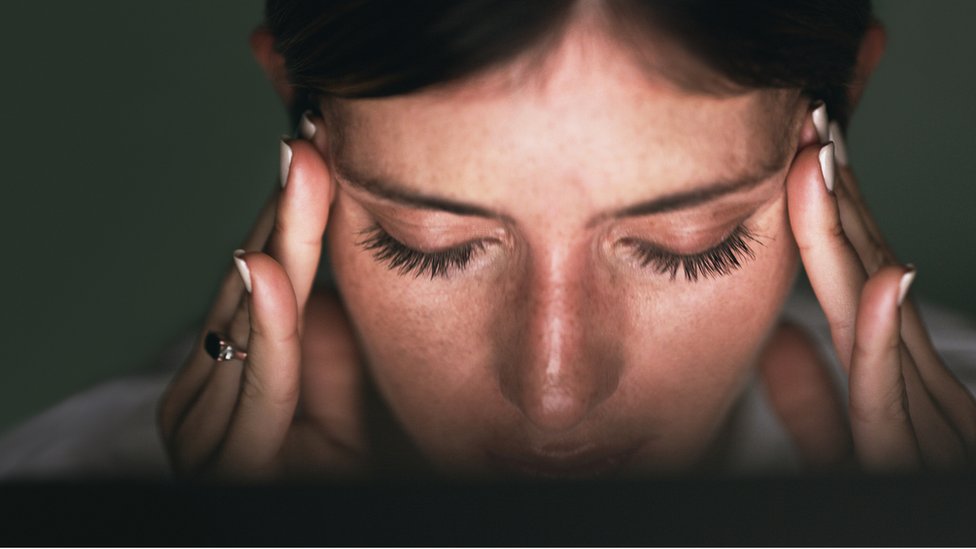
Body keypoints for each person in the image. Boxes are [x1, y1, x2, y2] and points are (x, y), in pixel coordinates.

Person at [3, 0, 975, 481]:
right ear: (305, 129)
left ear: (832, 124)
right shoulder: (72, 493)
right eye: (427, 244)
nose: (553, 395)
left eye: (691, 244)